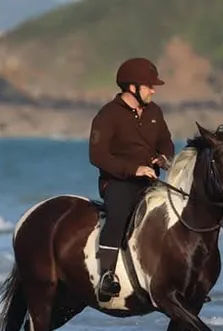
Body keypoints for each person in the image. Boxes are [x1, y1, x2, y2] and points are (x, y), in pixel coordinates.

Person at [89, 57, 175, 302]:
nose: (153, 90)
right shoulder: (107, 115)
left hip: (150, 181)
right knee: (118, 214)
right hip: (117, 182)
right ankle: (106, 276)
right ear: (132, 87)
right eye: (149, 85)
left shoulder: (155, 112)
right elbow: (97, 156)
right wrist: (133, 169)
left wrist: (164, 158)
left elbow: (166, 142)